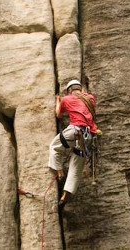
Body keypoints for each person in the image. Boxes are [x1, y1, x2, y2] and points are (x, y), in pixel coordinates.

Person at [48, 79, 97, 209]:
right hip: (89, 137)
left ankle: (59, 171)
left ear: (69, 90)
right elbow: (85, 99)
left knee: (54, 146)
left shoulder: (67, 99)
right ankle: (65, 196)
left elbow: (58, 114)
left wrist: (58, 99)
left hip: (75, 131)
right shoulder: (90, 98)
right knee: (76, 167)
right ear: (81, 89)